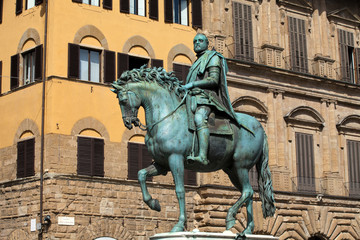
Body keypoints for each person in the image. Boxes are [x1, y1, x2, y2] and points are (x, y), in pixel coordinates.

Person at [180, 33, 246, 165]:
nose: (197, 43)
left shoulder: (213, 57)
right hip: (193, 97)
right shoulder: (197, 62)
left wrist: (193, 84)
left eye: (200, 41)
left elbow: (214, 80)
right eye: (195, 41)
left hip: (207, 99)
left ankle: (203, 156)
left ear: (206, 43)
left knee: (199, 118)